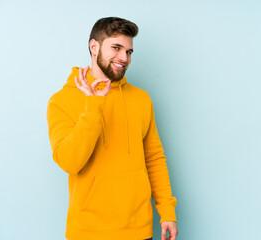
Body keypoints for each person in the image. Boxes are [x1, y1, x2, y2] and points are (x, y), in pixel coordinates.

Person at [46, 17, 179, 240]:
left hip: (139, 229)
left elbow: (154, 158)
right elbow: (69, 162)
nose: (124, 58)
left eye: (129, 51)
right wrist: (94, 106)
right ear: (94, 46)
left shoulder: (141, 99)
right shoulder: (62, 100)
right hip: (89, 232)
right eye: (116, 48)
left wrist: (167, 211)